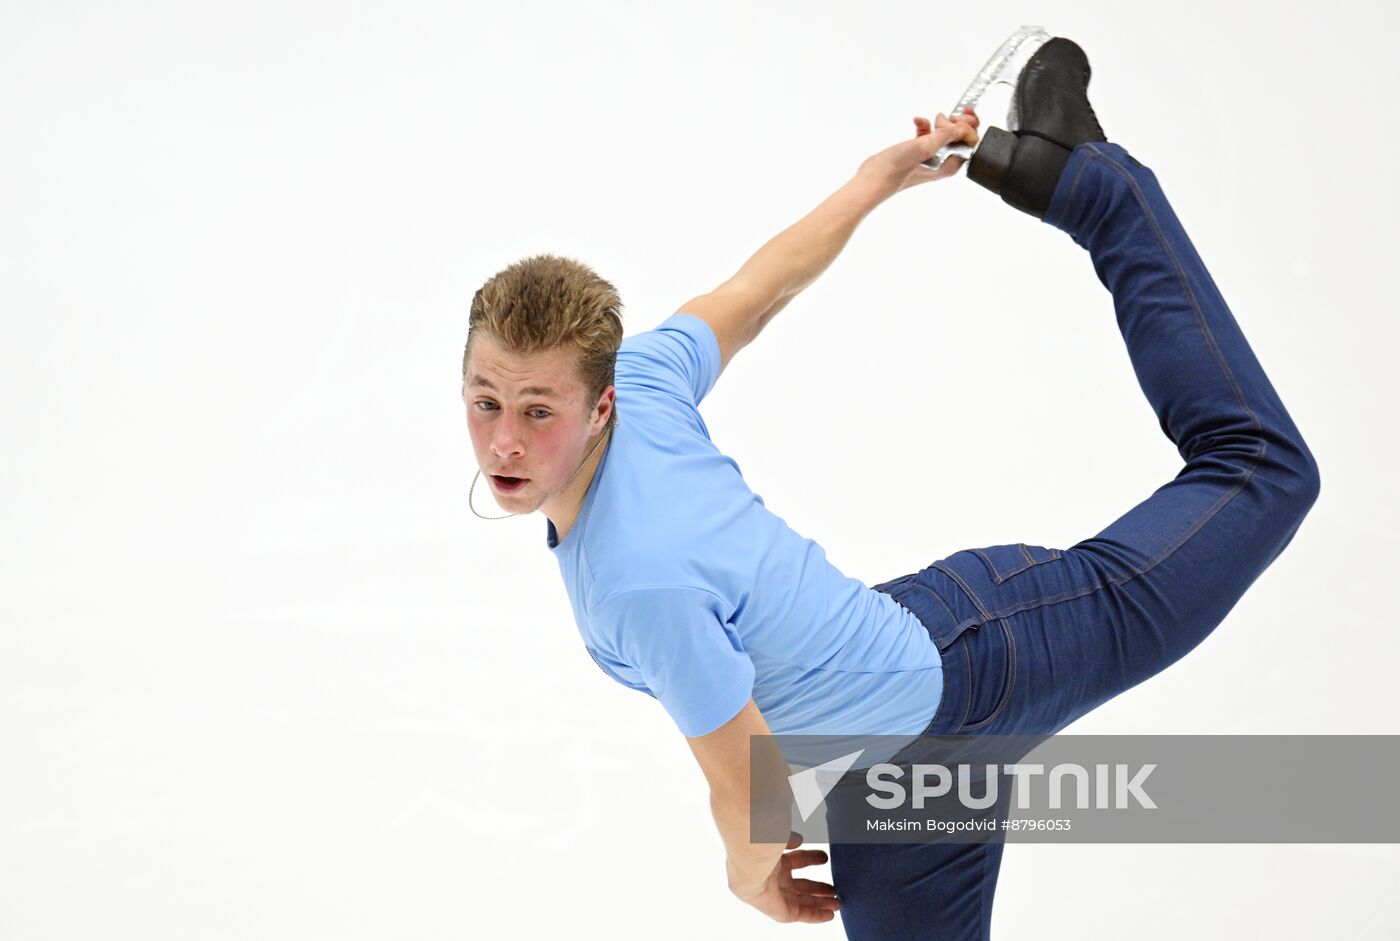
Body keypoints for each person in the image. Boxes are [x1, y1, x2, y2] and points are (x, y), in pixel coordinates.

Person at [462, 35, 1320, 940]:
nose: (505, 441)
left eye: (537, 410)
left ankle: (1103, 194)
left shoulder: (639, 576)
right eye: (485, 401)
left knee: (1260, 469)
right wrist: (876, 179)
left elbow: (745, 788)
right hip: (885, 781)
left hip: (981, 661)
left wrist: (750, 878)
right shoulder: (639, 386)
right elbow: (756, 291)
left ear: (600, 404)